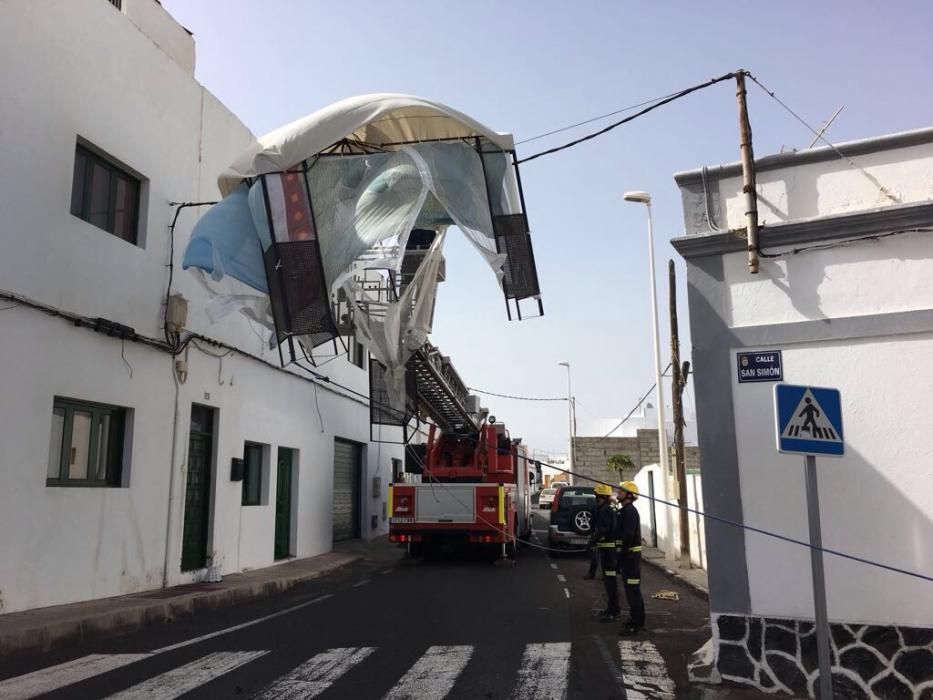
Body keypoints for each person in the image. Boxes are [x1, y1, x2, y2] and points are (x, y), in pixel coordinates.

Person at [616, 481, 646, 635]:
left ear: (629, 495)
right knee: (632, 590)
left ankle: (635, 624)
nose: (618, 493)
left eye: (621, 491)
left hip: (630, 558)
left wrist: (621, 553)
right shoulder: (626, 511)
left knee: (632, 591)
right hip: (630, 557)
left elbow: (627, 535)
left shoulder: (629, 512)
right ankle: (638, 620)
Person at [592, 483, 620, 621]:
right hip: (608, 550)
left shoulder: (604, 510)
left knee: (610, 582)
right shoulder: (606, 509)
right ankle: (612, 609)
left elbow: (603, 529)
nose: (595, 498)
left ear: (602, 497)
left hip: (608, 552)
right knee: (609, 582)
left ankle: (613, 611)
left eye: (596, 495)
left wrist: (592, 541)